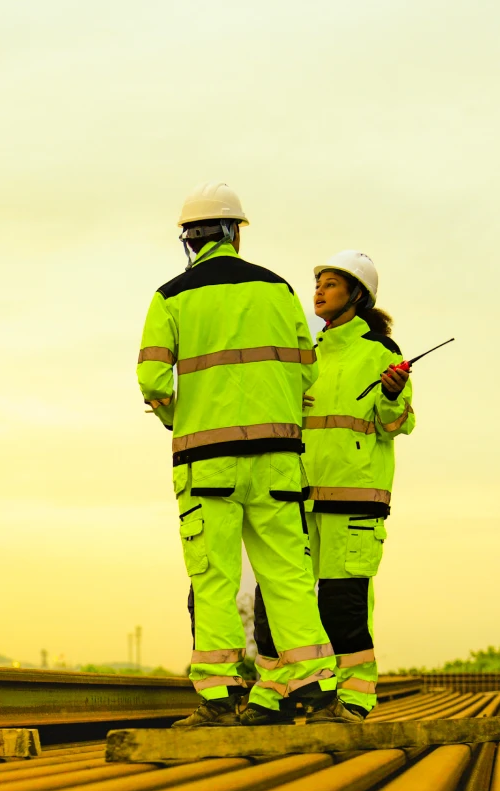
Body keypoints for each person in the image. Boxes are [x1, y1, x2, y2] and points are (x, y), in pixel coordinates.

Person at [137, 182, 353, 727]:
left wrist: (178, 417)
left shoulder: (170, 297)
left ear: (190, 239)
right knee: (287, 577)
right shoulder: (279, 291)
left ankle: (218, 701)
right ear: (236, 232)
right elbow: (308, 370)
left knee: (213, 577)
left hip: (206, 462)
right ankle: (318, 696)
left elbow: (152, 381)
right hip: (278, 458)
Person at [254, 251, 414, 718]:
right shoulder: (307, 352)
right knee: (278, 601)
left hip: (354, 500)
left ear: (356, 295)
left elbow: (398, 422)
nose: (319, 291)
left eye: (330, 283)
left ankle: (354, 700)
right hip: (296, 498)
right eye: (317, 283)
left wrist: (389, 392)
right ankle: (275, 695)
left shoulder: (382, 352)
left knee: (343, 608)